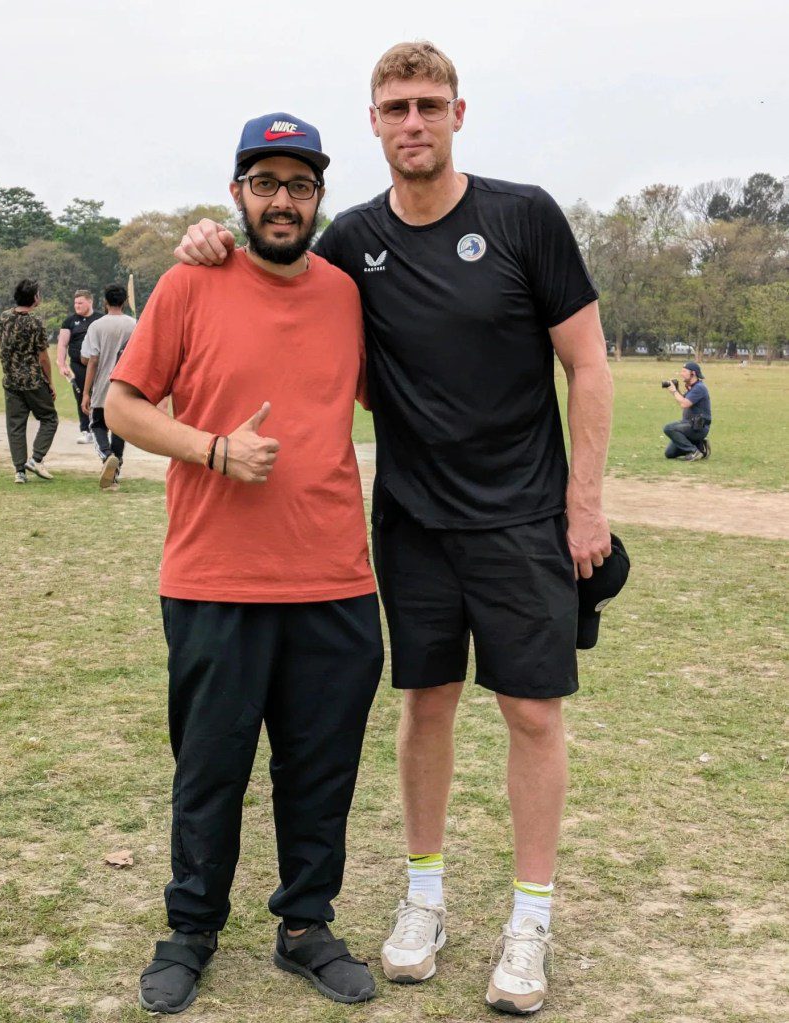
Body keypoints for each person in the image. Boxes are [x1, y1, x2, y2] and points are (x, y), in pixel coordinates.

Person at [175, 41, 614, 1016]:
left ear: (459, 113)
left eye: (427, 105)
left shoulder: (523, 217)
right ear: (372, 124)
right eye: (393, 108)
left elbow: (588, 363)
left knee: (533, 714)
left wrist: (585, 505)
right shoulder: (351, 242)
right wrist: (207, 236)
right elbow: (271, 273)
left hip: (522, 518)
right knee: (424, 707)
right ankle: (423, 899)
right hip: (411, 523)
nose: (411, 122)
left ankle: (529, 920)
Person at [105, 112, 383, 1014]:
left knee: (321, 766)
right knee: (210, 766)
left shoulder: (346, 291)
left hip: (334, 577)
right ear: (236, 193)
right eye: (264, 183)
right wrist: (213, 449)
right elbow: (122, 405)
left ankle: (306, 925)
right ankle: (190, 929)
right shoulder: (191, 282)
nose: (282, 200)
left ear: (317, 198)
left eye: (299, 185)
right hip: (214, 577)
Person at [0, 279, 59, 484]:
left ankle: (19, 472)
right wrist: (49, 381)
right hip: (32, 380)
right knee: (49, 418)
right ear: (34, 298)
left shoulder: (4, 317)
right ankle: (36, 458)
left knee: (15, 425)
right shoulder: (35, 322)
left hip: (11, 380)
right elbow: (42, 356)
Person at [81, 284, 136, 489]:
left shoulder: (96, 325)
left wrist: (86, 392)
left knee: (97, 425)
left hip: (103, 383)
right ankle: (115, 469)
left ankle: (106, 456)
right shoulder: (134, 324)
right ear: (124, 302)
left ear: (105, 301)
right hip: (126, 385)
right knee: (120, 428)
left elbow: (90, 360)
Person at [57, 289, 104, 443]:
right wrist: (62, 364)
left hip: (98, 364)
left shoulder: (100, 319)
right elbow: (62, 344)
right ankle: (86, 430)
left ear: (90, 302)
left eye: (80, 303)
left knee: (98, 396)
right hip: (77, 366)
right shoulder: (70, 321)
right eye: (75, 303)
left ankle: (100, 429)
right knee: (81, 398)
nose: (77, 306)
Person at [662, 361, 711, 461]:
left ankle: (694, 452)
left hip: (698, 428)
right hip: (689, 425)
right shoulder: (692, 388)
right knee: (669, 453)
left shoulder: (699, 388)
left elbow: (684, 404)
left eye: (684, 371)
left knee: (669, 428)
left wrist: (674, 391)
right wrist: (677, 390)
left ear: (693, 373)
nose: (681, 374)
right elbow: (683, 401)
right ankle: (700, 446)